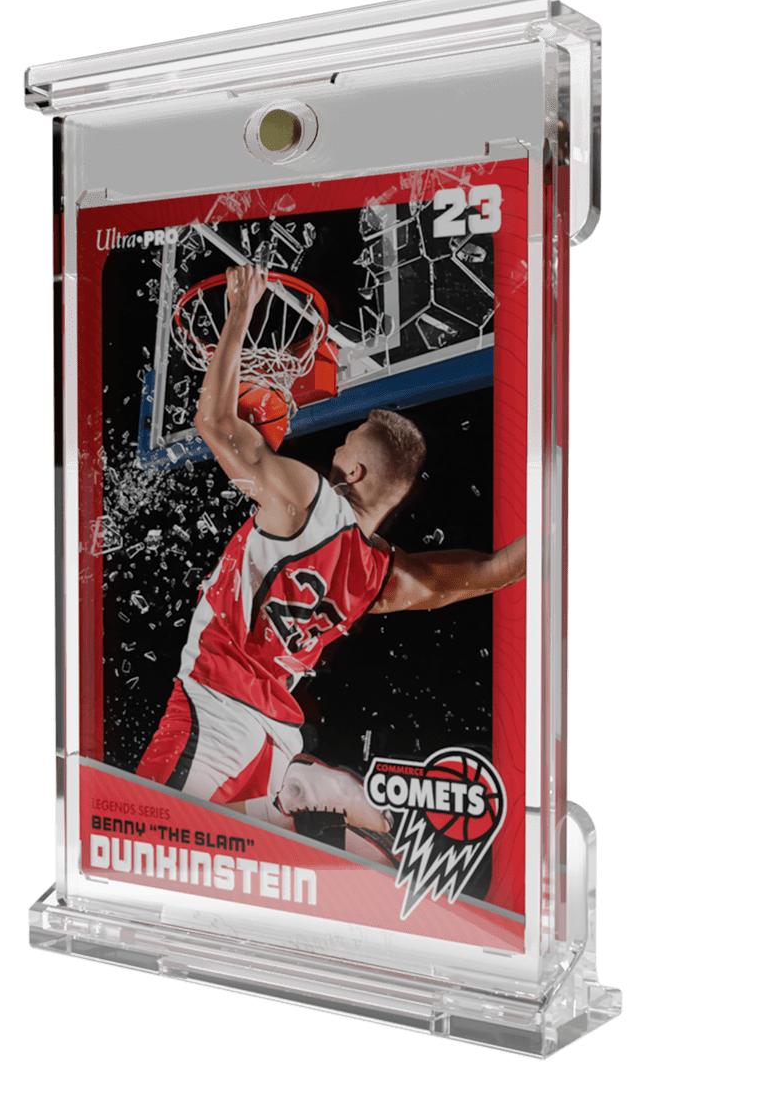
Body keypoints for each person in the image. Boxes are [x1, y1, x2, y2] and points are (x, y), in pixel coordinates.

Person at [135, 265, 526, 855]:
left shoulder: (307, 497)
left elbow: (214, 423)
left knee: (146, 845)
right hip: (270, 738)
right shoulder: (383, 577)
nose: (332, 448)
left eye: (341, 445)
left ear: (357, 471)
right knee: (228, 871)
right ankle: (316, 803)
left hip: (214, 711)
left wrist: (240, 309)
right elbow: (496, 571)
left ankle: (325, 800)